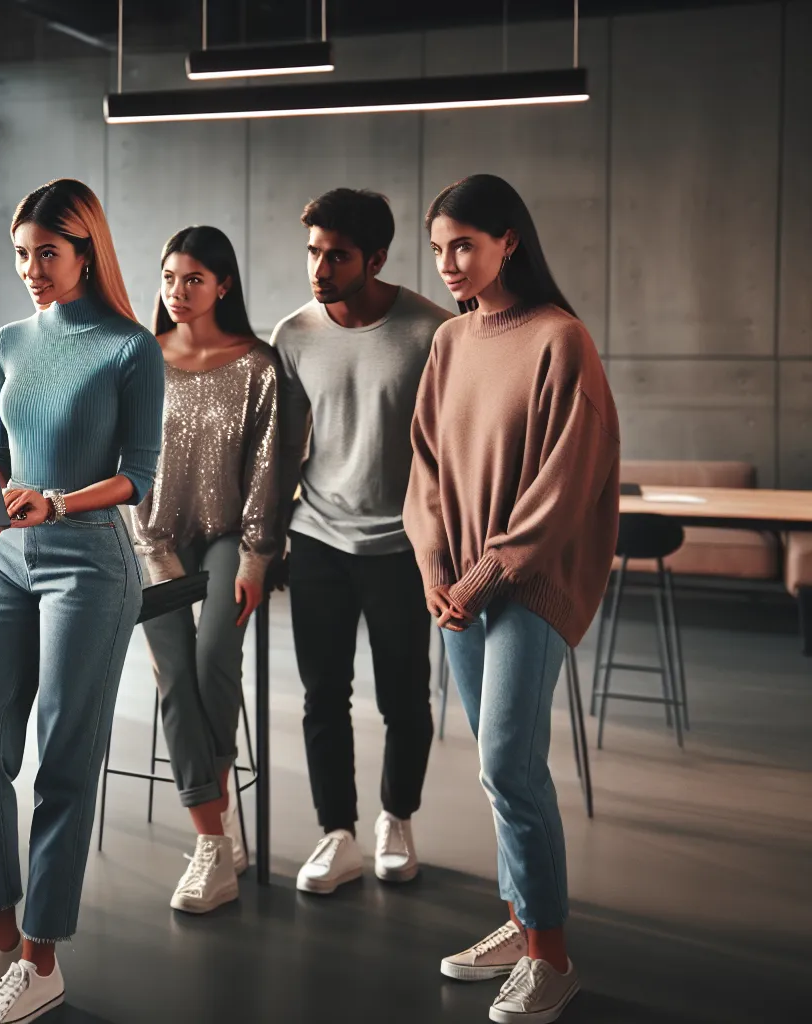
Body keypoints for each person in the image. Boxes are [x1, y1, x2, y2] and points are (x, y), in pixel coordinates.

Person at [0, 179, 163, 1024]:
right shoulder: (7, 342)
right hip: (8, 558)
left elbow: (142, 475)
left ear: (86, 252)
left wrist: (60, 500)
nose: (32, 269)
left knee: (63, 761)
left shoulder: (130, 348)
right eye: (22, 254)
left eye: (48, 254)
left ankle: (41, 962)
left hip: (90, 565)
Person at [409, 174, 618, 1024]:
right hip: (456, 587)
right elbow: (424, 465)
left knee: (509, 765)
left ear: (509, 241)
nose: (450, 264)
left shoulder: (561, 340)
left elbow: (565, 489)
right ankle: (518, 922)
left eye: (463, 244)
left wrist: (479, 577)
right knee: (502, 777)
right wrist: (433, 570)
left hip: (523, 584)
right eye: (438, 250)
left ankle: (553, 958)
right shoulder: (451, 343)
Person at [270, 188, 454, 895]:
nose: (319, 266)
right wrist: (267, 542)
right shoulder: (294, 335)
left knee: (404, 698)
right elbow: (285, 451)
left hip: (405, 546)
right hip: (317, 537)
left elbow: (450, 450)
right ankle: (336, 832)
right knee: (323, 696)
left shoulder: (432, 332)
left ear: (375, 258)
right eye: (313, 251)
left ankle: (396, 820)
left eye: (337, 255)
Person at [130, 226, 279, 914]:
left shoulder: (259, 366)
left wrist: (254, 557)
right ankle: (213, 841)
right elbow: (122, 460)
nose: (177, 292)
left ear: (223, 283)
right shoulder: (140, 358)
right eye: (168, 278)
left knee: (216, 656)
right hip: (152, 537)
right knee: (172, 675)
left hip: (227, 535)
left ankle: (214, 824)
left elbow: (268, 473)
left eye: (193, 279)